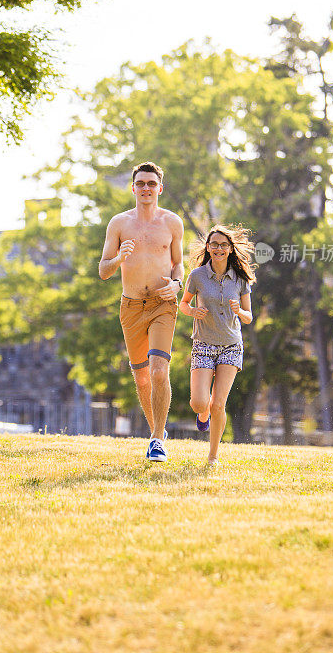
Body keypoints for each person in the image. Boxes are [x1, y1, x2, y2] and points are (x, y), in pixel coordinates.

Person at [99, 161, 184, 462]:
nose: (146, 188)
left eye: (151, 183)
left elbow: (178, 263)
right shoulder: (119, 224)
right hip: (132, 306)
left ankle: (157, 440)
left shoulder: (172, 223)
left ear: (160, 188)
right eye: (141, 183)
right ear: (133, 188)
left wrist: (177, 283)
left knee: (160, 370)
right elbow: (103, 270)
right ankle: (157, 431)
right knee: (142, 379)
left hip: (163, 304)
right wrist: (119, 259)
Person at [179, 224, 256, 465]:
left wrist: (239, 311)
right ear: (208, 247)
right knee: (200, 402)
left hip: (231, 346)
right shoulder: (197, 276)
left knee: (219, 404)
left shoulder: (240, 279)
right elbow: (183, 304)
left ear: (231, 249)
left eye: (224, 245)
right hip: (203, 343)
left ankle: (213, 456)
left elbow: (249, 316)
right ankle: (203, 414)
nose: (219, 249)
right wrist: (192, 311)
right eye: (214, 244)